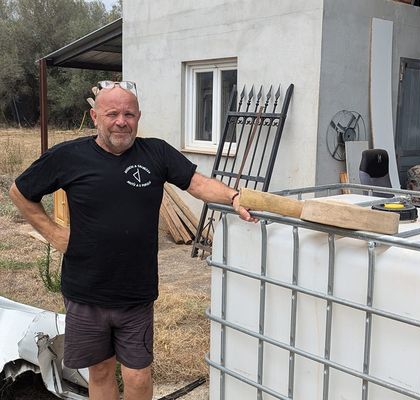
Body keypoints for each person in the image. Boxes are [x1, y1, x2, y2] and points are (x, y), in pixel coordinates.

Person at [9, 81, 256, 400]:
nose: (121, 121)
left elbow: (196, 183)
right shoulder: (69, 156)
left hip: (135, 292)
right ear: (94, 116)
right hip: (86, 291)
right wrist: (55, 234)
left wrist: (234, 196)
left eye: (129, 114)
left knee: (138, 375)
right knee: (99, 371)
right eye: (112, 113)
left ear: (138, 117)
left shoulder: (156, 152)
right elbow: (20, 192)